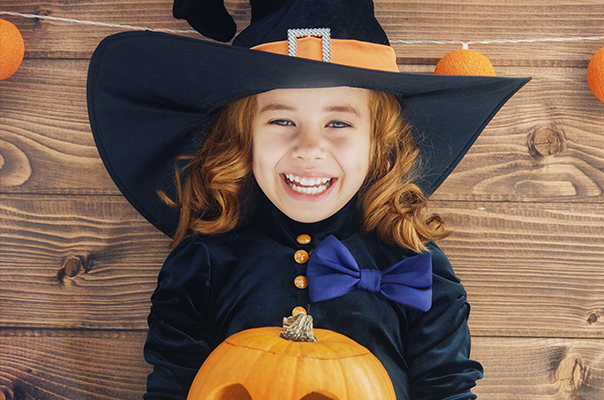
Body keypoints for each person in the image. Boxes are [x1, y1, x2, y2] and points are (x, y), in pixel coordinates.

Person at [86, 1, 528, 399]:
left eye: (338, 123)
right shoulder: (201, 264)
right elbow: (173, 387)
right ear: (245, 138)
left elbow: (446, 389)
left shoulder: (414, 266)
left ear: (380, 143)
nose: (309, 147)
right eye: (281, 119)